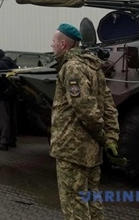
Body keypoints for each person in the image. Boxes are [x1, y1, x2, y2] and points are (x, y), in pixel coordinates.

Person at [50, 23, 121, 219]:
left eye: (54, 41)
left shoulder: (72, 68)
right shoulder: (93, 66)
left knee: (75, 203)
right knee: (92, 199)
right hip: (91, 152)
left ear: (64, 44)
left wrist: (104, 138)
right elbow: (108, 106)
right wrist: (112, 138)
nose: (51, 45)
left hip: (72, 149)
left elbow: (85, 110)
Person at [0, 49, 19, 151]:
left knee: (3, 119)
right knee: (12, 118)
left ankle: (4, 142)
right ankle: (12, 140)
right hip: (12, 94)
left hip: (2, 95)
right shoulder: (13, 64)